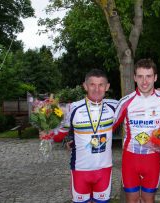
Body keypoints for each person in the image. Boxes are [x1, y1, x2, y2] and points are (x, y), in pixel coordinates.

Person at [113, 58, 160, 203]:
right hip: (130, 159)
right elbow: (109, 126)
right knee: (132, 200)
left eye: (148, 76)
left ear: (155, 77)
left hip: (152, 159)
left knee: (149, 199)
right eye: (140, 76)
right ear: (134, 77)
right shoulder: (126, 101)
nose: (144, 81)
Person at [54, 69, 119, 203]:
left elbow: (138, 105)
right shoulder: (72, 108)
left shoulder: (115, 106)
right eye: (92, 84)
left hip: (104, 169)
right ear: (85, 86)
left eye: (101, 85)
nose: (96, 89)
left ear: (107, 87)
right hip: (80, 169)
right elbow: (58, 136)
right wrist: (47, 132)